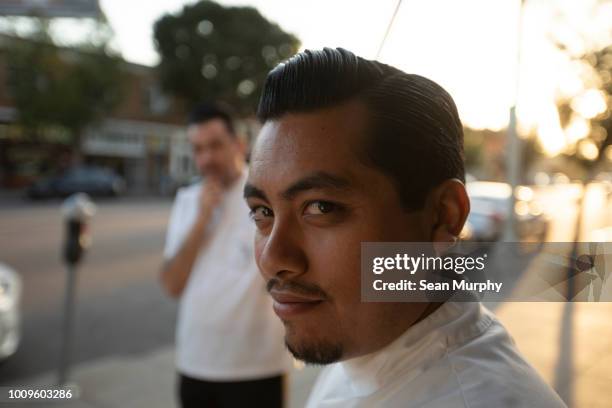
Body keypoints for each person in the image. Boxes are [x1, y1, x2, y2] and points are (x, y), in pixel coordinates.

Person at [243, 48, 566, 407]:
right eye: (262, 211)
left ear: (443, 218)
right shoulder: (364, 344)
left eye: (321, 207)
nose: (273, 259)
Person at [161, 104, 290, 408]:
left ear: (239, 144)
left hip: (258, 368)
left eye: (215, 145)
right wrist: (201, 220)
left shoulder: (269, 198)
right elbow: (171, 284)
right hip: (195, 363)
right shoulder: (187, 201)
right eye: (198, 149)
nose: (206, 158)